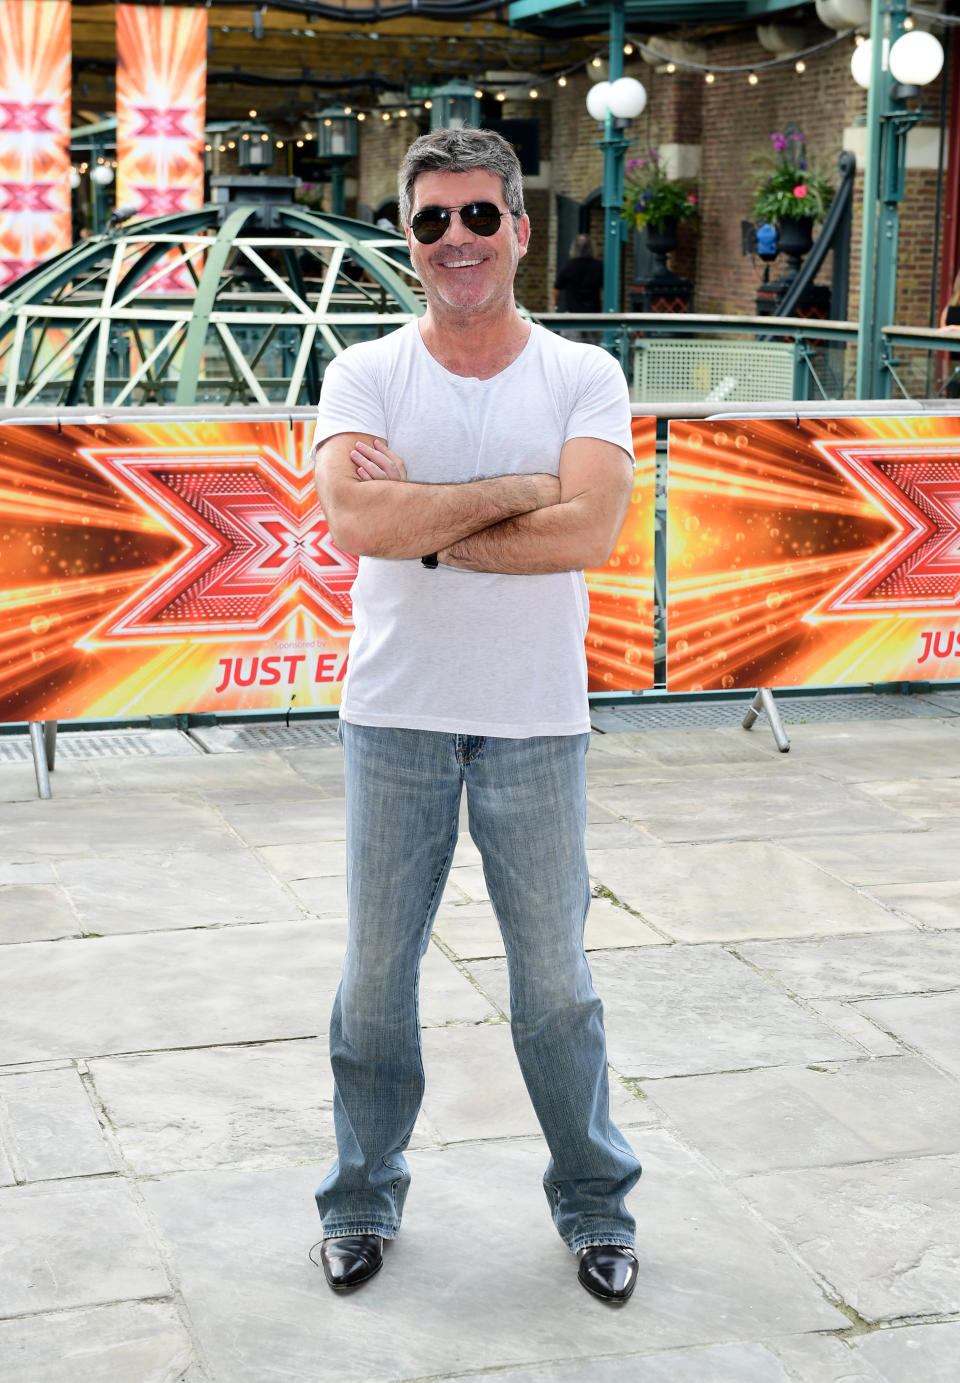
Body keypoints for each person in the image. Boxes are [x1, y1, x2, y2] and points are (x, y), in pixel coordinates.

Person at [311, 127, 642, 1304]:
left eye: (479, 217)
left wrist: (431, 516)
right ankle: (359, 1201)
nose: (457, 240)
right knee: (374, 977)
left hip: (536, 719)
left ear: (520, 227)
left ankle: (597, 1206)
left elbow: (591, 533)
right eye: (432, 220)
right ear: (408, 238)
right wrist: (516, 495)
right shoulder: (362, 371)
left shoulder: (581, 375)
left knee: (555, 982)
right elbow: (358, 524)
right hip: (393, 715)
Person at [553, 233, 603, 314]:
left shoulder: (568, 265)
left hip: (572, 311)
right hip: (593, 311)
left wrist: (555, 304)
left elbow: (556, 288)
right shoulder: (598, 266)